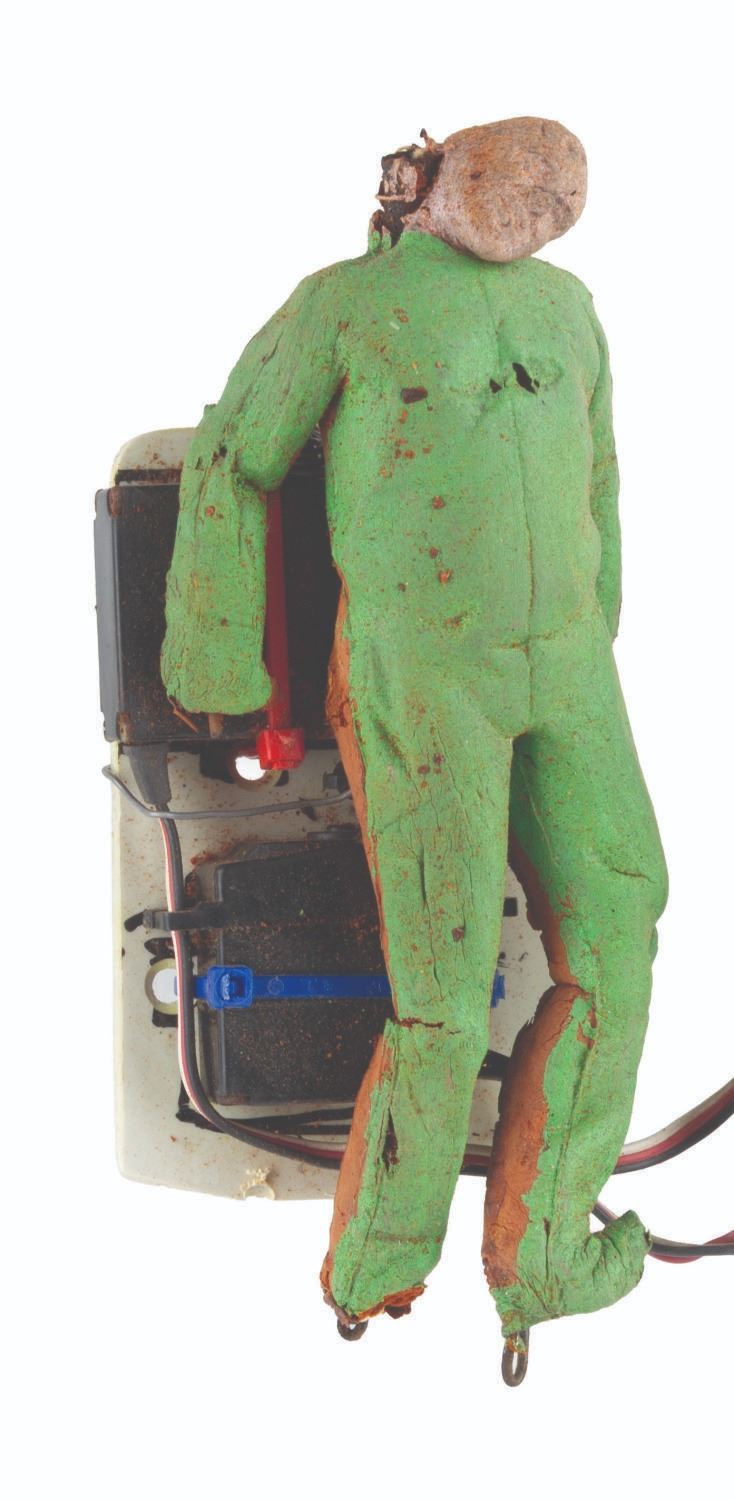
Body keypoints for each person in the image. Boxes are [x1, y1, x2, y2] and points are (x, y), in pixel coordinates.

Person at [161, 117, 668, 1341]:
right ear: (422, 187)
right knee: (440, 983)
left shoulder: (566, 310)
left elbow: (597, 476)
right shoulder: (343, 306)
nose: (533, 202)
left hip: (565, 674)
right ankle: (375, 1262)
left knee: (619, 921)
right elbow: (234, 456)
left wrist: (596, 620)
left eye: (554, 193)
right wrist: (216, 662)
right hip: (423, 679)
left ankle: (540, 1253)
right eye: (509, 181)